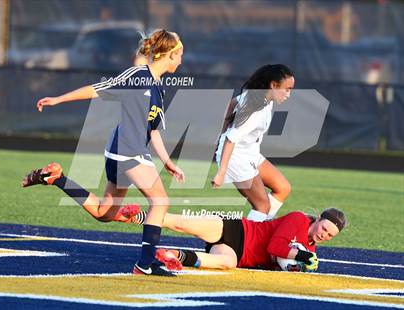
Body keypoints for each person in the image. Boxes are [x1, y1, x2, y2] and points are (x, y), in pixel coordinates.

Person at [22, 29, 185, 276]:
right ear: (169, 55)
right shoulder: (138, 76)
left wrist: (168, 161)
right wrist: (57, 99)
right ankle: (145, 264)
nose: (182, 61)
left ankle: (57, 178)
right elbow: (97, 89)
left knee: (103, 213)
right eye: (180, 55)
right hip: (127, 151)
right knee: (160, 201)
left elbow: (153, 132)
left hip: (129, 151)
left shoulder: (158, 88)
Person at [124, 206, 346, 272]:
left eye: (329, 235)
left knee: (225, 263)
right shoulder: (298, 218)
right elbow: (275, 246)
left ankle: (174, 255)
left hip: (239, 256)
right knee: (181, 223)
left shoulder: (310, 252)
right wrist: (303, 255)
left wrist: (302, 268)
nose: (323, 235)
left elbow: (284, 264)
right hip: (236, 230)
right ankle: (136, 215)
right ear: (318, 219)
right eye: (325, 228)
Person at [212, 64, 295, 222]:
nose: (288, 94)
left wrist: (221, 132)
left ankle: (261, 228)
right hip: (235, 158)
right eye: (287, 89)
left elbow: (232, 103)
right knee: (262, 206)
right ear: (273, 85)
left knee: (283, 188)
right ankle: (248, 241)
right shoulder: (255, 110)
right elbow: (230, 140)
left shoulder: (261, 97)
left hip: (250, 153)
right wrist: (221, 172)